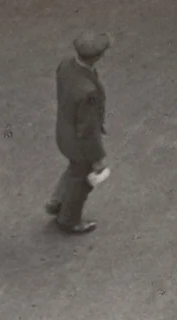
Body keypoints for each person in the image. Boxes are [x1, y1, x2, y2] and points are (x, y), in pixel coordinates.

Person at [45, 32, 111, 234]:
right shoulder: (88, 92)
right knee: (81, 181)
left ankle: (57, 201)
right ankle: (69, 219)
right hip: (79, 144)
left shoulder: (65, 65)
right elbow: (88, 130)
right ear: (97, 57)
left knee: (74, 170)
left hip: (64, 132)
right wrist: (98, 157)